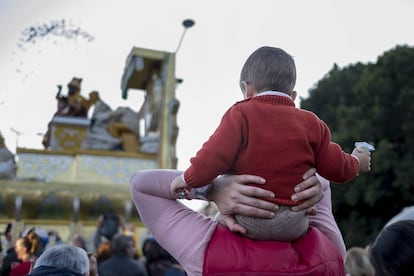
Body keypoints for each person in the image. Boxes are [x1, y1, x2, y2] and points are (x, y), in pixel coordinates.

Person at [171, 46, 371, 242]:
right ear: (293, 96)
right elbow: (336, 167)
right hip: (294, 223)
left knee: (217, 221)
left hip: (248, 218)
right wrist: (356, 160)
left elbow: (213, 157)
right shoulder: (312, 123)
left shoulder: (240, 114)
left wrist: (188, 178)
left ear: (246, 89)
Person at [130, 168, 345, 275]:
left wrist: (212, 188)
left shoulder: (204, 251)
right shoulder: (329, 250)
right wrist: (305, 184)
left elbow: (141, 185)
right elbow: (322, 181)